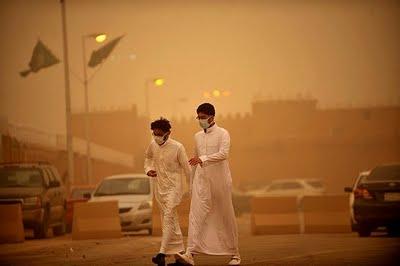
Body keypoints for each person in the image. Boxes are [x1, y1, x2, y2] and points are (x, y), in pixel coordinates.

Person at [176, 103, 241, 265]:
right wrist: (192, 185)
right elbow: (194, 160)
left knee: (225, 214)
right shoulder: (197, 136)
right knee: (196, 215)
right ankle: (190, 253)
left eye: (203, 117)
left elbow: (223, 154)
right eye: (199, 117)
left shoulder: (223, 134)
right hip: (201, 182)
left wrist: (203, 159)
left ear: (212, 117)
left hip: (220, 182)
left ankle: (235, 254)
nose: (200, 120)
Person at [145, 118, 192, 266]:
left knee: (168, 217)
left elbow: (187, 170)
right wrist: (149, 170)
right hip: (160, 189)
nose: (156, 136)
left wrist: (191, 188)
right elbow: (147, 158)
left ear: (168, 133)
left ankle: (161, 253)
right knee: (170, 220)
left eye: (159, 134)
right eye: (154, 134)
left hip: (175, 188)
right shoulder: (153, 145)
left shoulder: (178, 147)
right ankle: (180, 255)